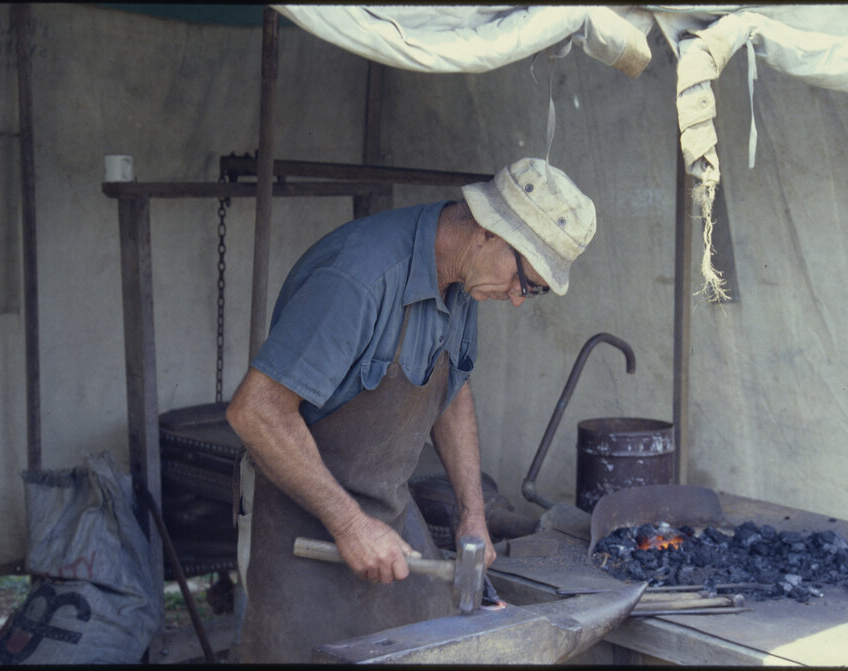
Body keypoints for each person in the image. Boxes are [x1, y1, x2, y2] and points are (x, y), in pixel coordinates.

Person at [226, 157, 596, 662]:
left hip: (387, 515)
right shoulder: (359, 278)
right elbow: (256, 411)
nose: (517, 298)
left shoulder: (463, 282)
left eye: (533, 293)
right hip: (298, 519)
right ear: (489, 232)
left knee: (431, 643)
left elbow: (452, 394)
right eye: (525, 281)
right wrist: (351, 525)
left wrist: (473, 514)